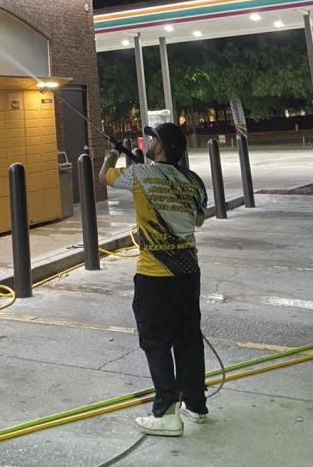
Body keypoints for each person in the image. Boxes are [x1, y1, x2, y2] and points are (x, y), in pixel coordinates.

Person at [99, 121, 208, 437]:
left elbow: (103, 177)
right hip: (189, 273)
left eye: (152, 137)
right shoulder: (193, 179)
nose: (147, 140)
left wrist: (111, 155)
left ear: (160, 147)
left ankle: (166, 412)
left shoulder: (139, 175)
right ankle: (196, 407)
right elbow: (198, 220)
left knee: (156, 341)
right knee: (188, 339)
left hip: (154, 275)